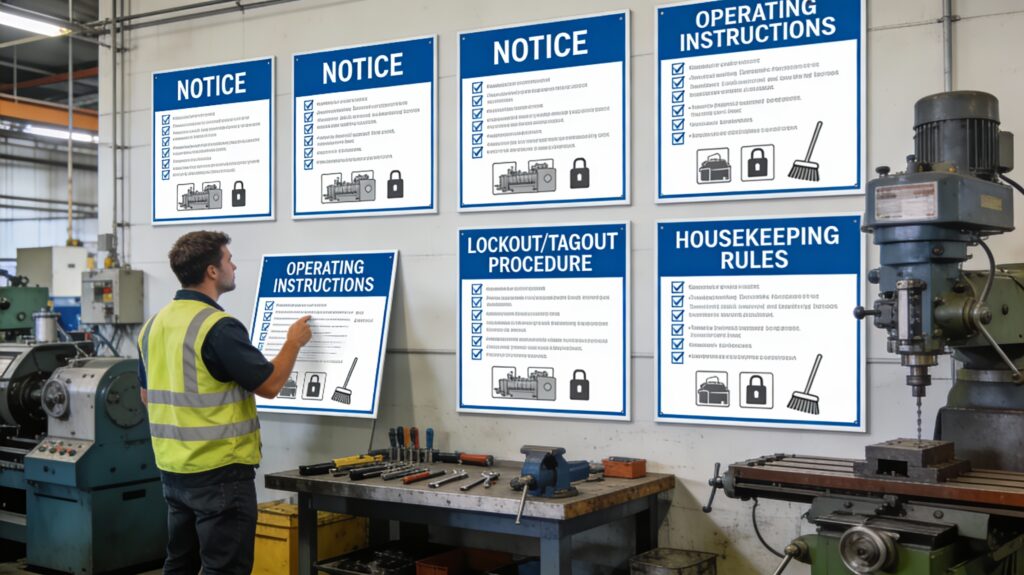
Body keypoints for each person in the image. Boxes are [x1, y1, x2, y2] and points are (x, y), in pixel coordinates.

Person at [137, 230, 312, 575]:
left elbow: (146, 396)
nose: (234, 265)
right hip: (220, 474)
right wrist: (293, 343)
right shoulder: (218, 327)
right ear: (212, 271)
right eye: (229, 259)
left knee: (181, 563)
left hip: (173, 471)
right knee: (225, 568)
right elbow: (271, 384)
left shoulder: (153, 325)